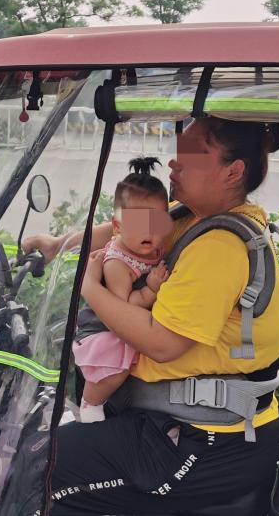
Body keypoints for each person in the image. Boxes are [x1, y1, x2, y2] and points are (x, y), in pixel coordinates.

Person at [27, 116, 279, 514]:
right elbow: (124, 230)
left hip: (206, 441)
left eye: (192, 154)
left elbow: (162, 342)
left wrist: (91, 289)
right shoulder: (191, 217)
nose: (173, 164)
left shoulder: (220, 247)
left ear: (233, 171)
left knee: (38, 470)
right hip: (174, 422)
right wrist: (56, 246)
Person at [72, 157, 171, 423]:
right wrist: (151, 290)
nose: (149, 233)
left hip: (124, 325)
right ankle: (91, 402)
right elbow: (121, 308)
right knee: (114, 370)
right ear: (117, 227)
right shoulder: (117, 263)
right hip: (104, 329)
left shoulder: (149, 245)